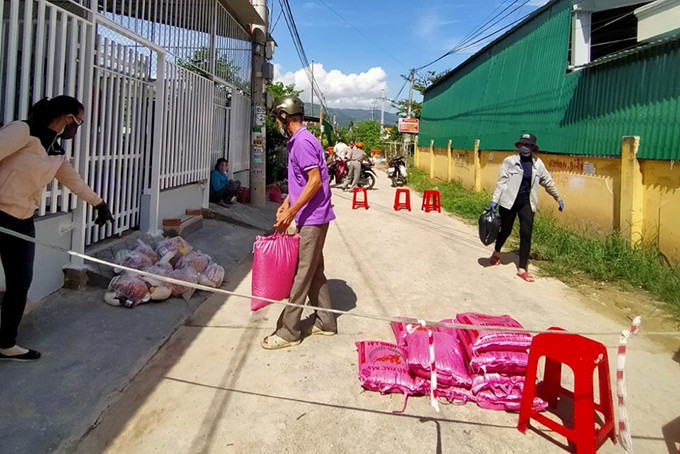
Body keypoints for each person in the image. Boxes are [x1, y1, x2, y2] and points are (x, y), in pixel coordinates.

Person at [0, 95, 114, 361]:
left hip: (23, 220)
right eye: (79, 121)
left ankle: (6, 343)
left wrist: (100, 204)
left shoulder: (56, 153)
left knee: (20, 282)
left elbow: (75, 183)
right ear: (66, 118)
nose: (78, 127)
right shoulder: (23, 131)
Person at [262, 96, 337, 350]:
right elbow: (302, 182)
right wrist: (287, 201)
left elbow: (314, 181)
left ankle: (289, 331)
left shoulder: (303, 142)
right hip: (312, 215)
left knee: (301, 274)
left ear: (285, 117)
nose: (276, 123)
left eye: (277, 118)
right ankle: (327, 322)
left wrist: (292, 211)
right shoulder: (299, 141)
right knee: (314, 270)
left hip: (313, 218)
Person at [489, 133, 563, 282]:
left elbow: (547, 182)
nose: (525, 147)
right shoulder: (509, 161)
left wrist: (558, 197)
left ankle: (522, 268)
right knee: (506, 230)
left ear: (533, 148)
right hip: (509, 202)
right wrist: (494, 200)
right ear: (519, 146)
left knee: (526, 233)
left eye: (528, 145)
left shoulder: (538, 164)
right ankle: (496, 252)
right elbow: (501, 182)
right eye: (523, 144)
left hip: (527, 203)